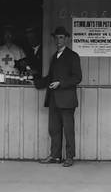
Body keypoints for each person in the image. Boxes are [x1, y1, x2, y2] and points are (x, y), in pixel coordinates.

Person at [34, 26, 82, 167]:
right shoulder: (54, 57)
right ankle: (55, 156)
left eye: (61, 37)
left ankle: (69, 157)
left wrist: (60, 83)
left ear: (66, 39)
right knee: (54, 129)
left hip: (67, 100)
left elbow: (77, 78)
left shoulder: (73, 56)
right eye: (56, 37)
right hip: (54, 99)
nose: (58, 40)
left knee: (68, 130)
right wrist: (36, 81)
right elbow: (50, 77)